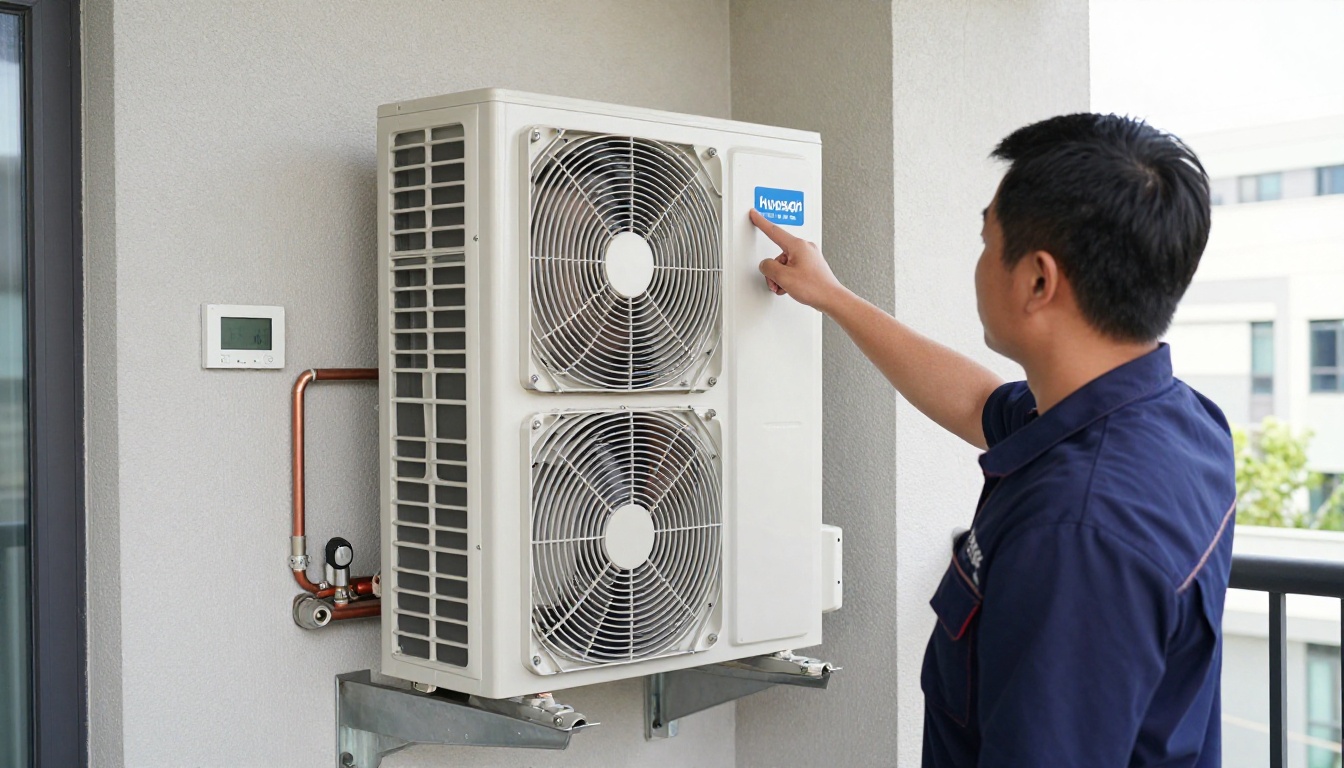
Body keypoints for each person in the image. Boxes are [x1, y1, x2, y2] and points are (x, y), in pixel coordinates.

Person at [749, 113, 1234, 767]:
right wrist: (833, 297)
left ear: (1038, 281)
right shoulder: (1178, 423)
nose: (977, 263)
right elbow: (979, 401)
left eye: (986, 240)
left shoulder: (1076, 533)